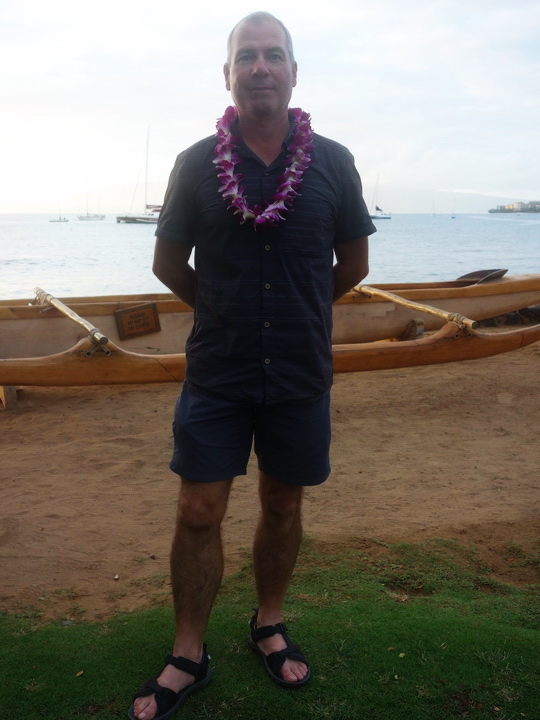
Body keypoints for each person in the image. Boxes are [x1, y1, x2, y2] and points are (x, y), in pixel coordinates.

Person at [129, 11, 376, 720]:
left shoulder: (333, 161)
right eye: (247, 56)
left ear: (294, 72)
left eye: (273, 55)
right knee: (197, 509)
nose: (260, 67)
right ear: (228, 74)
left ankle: (268, 622)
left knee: (283, 502)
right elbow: (167, 263)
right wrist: (222, 310)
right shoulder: (193, 164)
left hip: (299, 370)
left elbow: (354, 264)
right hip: (219, 369)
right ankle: (188, 651)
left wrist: (300, 308)